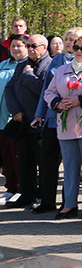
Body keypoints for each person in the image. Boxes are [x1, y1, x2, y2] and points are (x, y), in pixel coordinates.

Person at [43, 34, 82, 219]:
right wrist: (57, 103)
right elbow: (49, 93)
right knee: (69, 168)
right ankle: (69, 204)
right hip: (66, 126)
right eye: (76, 48)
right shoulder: (62, 70)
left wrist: (79, 100)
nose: (79, 52)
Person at [33, 28, 82, 214]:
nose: (70, 43)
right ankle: (47, 201)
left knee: (70, 163)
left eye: (74, 40)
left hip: (73, 119)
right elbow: (46, 89)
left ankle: (68, 203)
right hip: (52, 117)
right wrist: (39, 114)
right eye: (67, 39)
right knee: (47, 161)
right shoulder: (56, 60)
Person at [5, 34, 51, 209]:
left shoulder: (49, 65)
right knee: (24, 161)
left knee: (43, 162)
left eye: (34, 46)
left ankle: (43, 197)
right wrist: (15, 111)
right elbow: (9, 89)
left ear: (44, 48)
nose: (30, 49)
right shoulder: (22, 65)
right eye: (28, 46)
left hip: (40, 123)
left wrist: (29, 76)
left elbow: (44, 92)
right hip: (22, 121)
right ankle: (26, 194)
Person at [0, 34, 27, 204]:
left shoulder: (27, 66)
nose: (15, 49)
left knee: (18, 157)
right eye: (13, 46)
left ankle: (21, 188)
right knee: (6, 157)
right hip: (1, 119)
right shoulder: (3, 65)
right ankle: (10, 188)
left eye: (19, 46)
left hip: (16, 119)